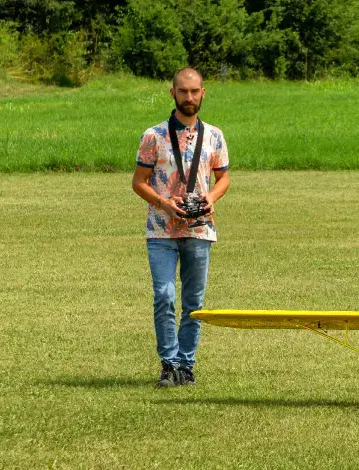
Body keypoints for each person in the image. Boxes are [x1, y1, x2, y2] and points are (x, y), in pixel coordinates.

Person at [132, 67, 230, 387]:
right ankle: (169, 364)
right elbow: (139, 183)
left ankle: (186, 365)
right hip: (161, 229)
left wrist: (211, 197)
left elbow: (223, 177)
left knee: (194, 302)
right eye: (183, 91)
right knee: (164, 295)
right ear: (172, 93)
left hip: (200, 229)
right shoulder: (153, 135)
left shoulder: (214, 135)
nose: (189, 97)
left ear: (203, 93)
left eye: (195, 91)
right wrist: (164, 204)